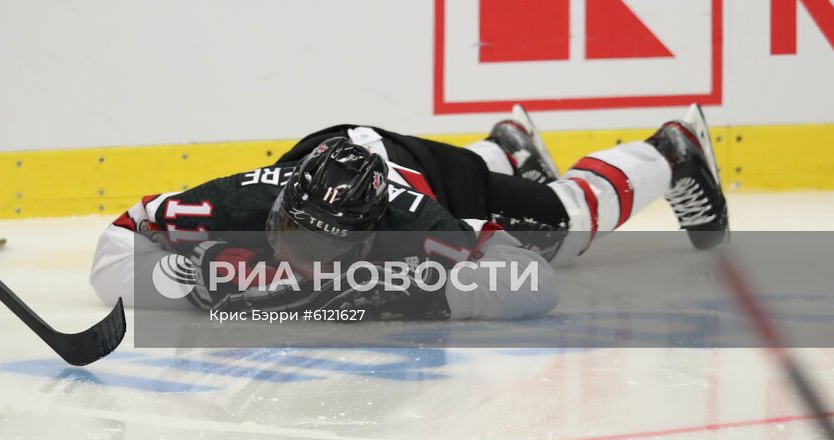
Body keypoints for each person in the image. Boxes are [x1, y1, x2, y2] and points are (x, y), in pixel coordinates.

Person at [89, 104, 728, 320]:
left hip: (431, 174)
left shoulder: (415, 224)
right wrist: (188, 280)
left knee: (563, 229)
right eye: (287, 231)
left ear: (368, 238)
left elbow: (534, 286)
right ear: (278, 205)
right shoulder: (239, 201)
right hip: (338, 153)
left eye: (321, 249)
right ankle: (507, 149)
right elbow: (114, 249)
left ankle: (671, 152)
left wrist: (424, 290)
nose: (292, 257)